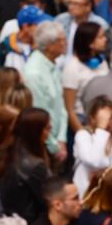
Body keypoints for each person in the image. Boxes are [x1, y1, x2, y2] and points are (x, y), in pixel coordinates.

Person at [23, 20, 68, 159]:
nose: (65, 43)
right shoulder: (34, 73)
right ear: (50, 46)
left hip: (57, 141)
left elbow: (60, 106)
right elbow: (39, 116)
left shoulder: (52, 64)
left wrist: (62, 139)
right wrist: (55, 147)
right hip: (43, 145)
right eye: (61, 40)